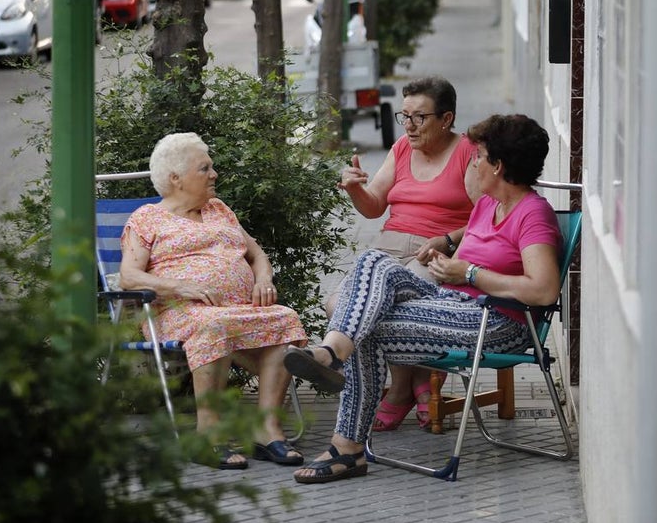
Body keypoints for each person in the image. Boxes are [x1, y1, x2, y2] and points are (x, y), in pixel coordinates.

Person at [287, 114, 562, 484]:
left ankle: (346, 443)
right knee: (375, 262)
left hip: (497, 322)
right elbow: (475, 244)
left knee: (369, 328)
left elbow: (544, 290)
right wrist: (447, 249)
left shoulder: (534, 213)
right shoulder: (487, 204)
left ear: (498, 166)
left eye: (478, 156)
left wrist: (468, 274)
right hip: (454, 303)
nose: (473, 162)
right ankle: (333, 353)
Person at [119, 132, 308, 469]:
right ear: (176, 179)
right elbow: (129, 277)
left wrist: (263, 277)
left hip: (237, 310)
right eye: (204, 168)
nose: (214, 174)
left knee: (285, 318)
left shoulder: (219, 209)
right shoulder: (146, 218)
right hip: (179, 312)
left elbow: (257, 254)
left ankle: (266, 431)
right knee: (213, 323)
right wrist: (179, 286)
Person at [318, 75, 479, 432]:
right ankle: (411, 384)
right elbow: (374, 206)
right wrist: (353, 188)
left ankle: (398, 392)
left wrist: (448, 240)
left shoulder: (468, 152)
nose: (408, 125)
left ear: (447, 118)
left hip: (435, 252)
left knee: (394, 307)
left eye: (418, 117)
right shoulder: (401, 149)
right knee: (337, 304)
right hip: (389, 246)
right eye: (403, 116)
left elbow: (489, 217)